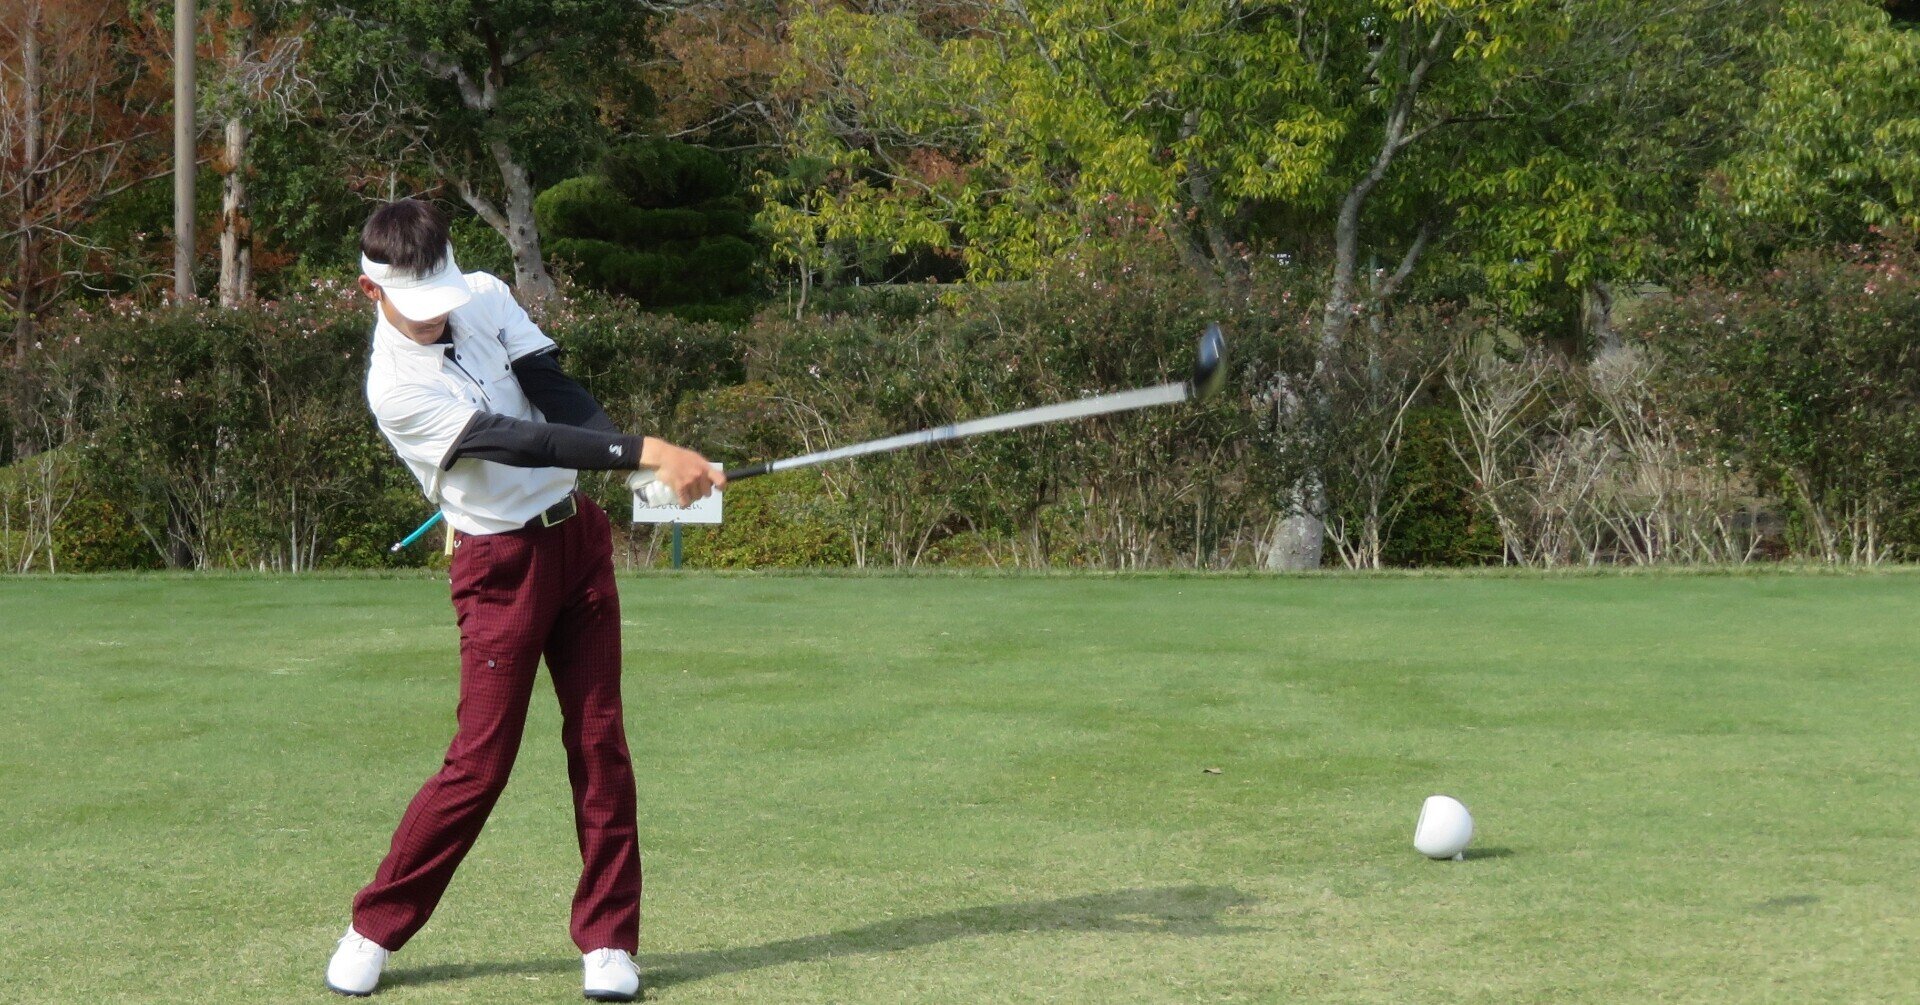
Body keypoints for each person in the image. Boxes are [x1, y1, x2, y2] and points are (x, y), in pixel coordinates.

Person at [325, 199, 722, 1001]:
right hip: (499, 565)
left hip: (576, 540)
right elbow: (520, 439)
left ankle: (609, 940)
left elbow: (553, 392)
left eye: (442, 302)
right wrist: (647, 448)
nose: (439, 321)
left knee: (600, 739)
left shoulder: (479, 291)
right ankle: (373, 925)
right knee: (479, 764)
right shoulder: (394, 388)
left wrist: (636, 469)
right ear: (372, 294)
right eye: (419, 310)